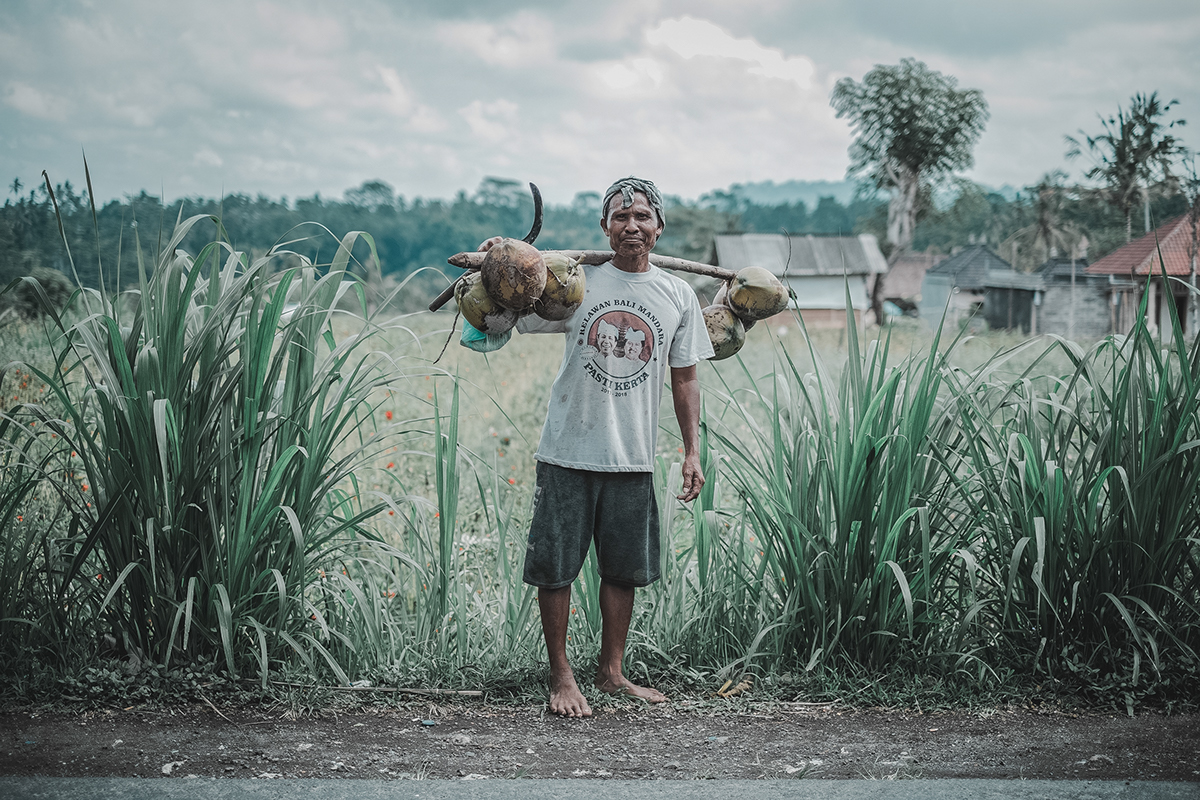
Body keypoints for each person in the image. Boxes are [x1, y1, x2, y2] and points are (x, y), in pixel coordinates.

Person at [477, 176, 713, 717]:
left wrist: (691, 451)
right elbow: (512, 313)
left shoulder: (677, 295)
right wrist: (504, 263)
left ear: (659, 227)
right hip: (567, 449)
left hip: (632, 455)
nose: (632, 226)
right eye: (620, 217)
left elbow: (685, 379)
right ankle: (562, 676)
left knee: (623, 569)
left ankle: (611, 672)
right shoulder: (573, 283)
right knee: (556, 567)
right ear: (604, 227)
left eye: (643, 217)